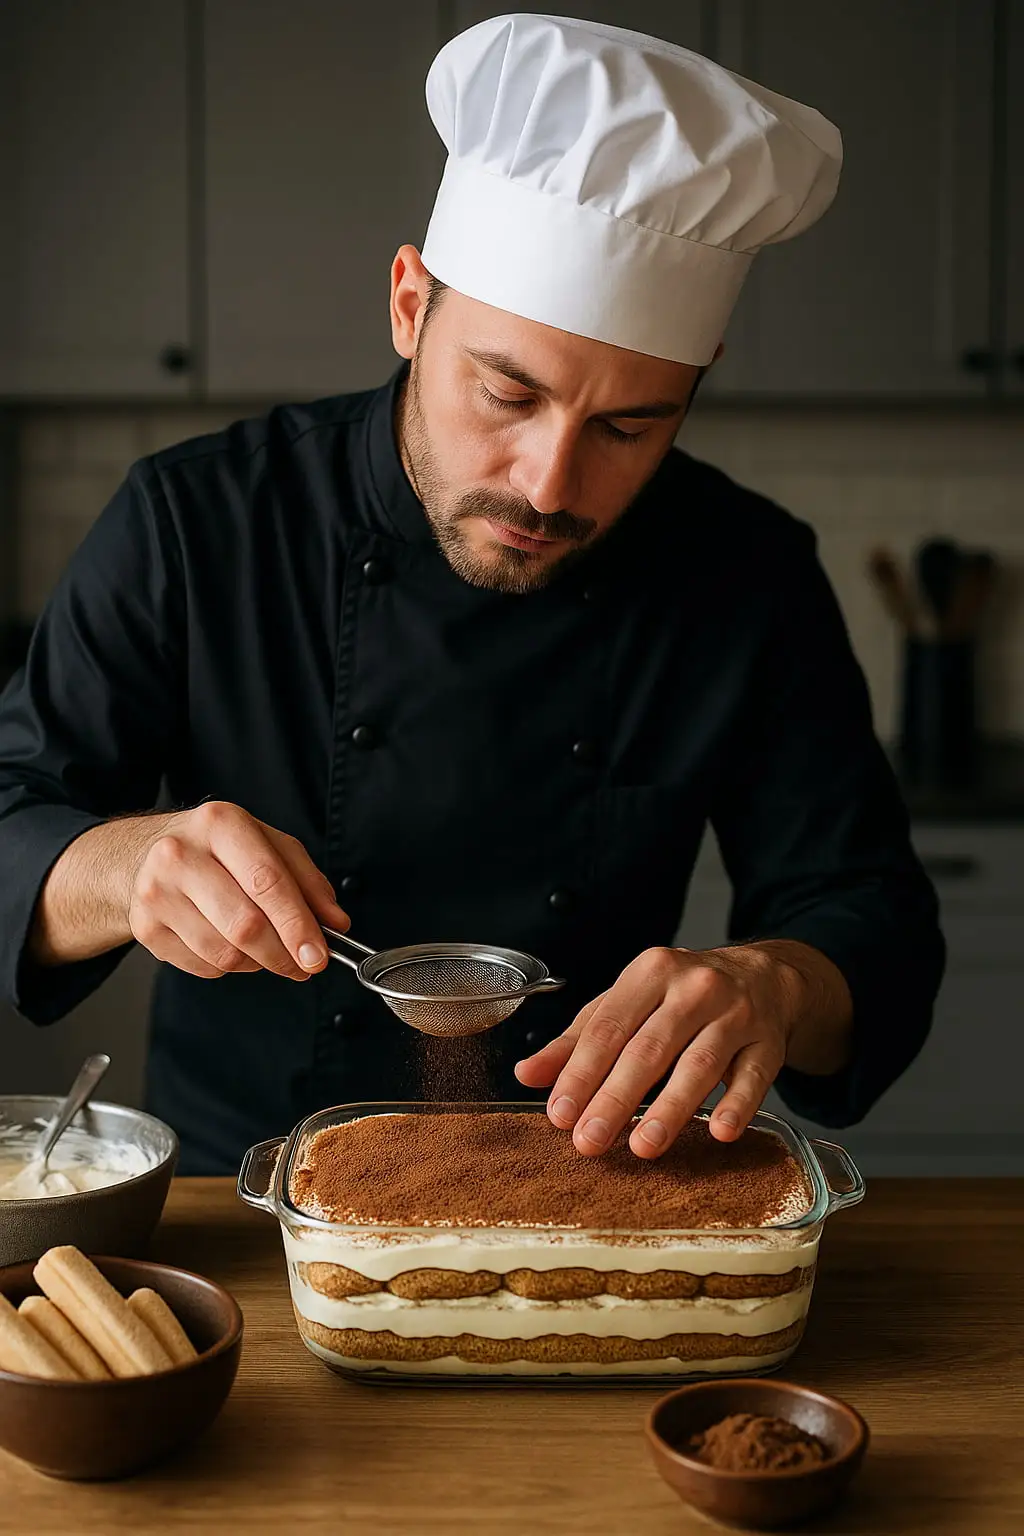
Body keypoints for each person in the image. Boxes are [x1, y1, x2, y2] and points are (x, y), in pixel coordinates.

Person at [0, 15, 943, 1174]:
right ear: (409, 307)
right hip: (247, 1200)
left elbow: (872, 921)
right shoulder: (197, 523)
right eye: (506, 394)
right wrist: (128, 867)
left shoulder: (743, 573)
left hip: (593, 1185)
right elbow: (12, 815)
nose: (550, 484)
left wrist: (774, 982)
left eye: (628, 426)